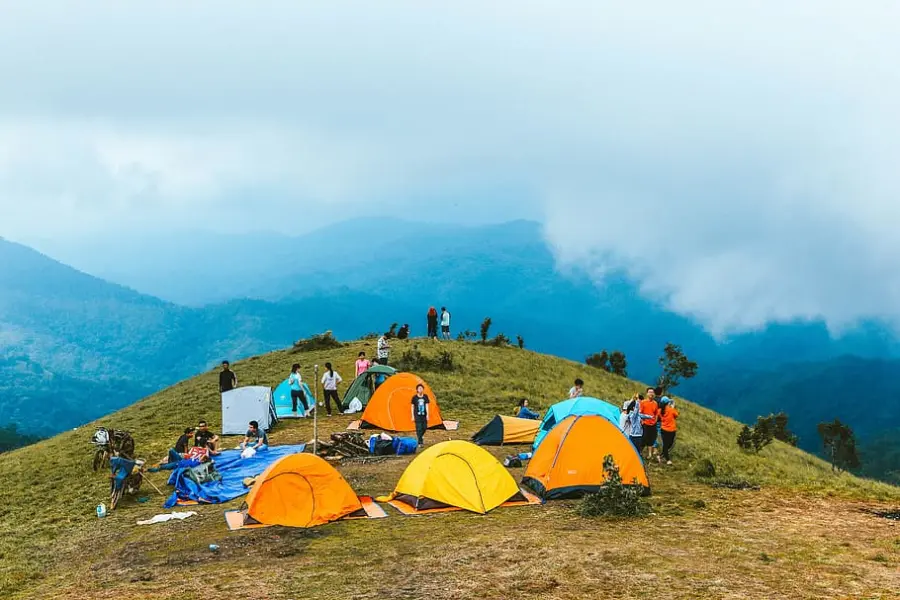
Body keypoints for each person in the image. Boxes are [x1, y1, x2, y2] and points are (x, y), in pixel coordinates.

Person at [640, 388, 661, 461]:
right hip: (645, 423)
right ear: (647, 394)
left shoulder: (655, 403)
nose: (651, 394)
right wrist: (642, 421)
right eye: (650, 392)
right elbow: (640, 412)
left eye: (652, 392)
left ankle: (649, 455)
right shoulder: (643, 402)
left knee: (651, 439)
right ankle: (639, 452)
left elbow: (656, 413)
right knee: (644, 438)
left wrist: (655, 420)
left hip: (653, 424)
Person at [659, 397, 679, 465]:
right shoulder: (671, 410)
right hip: (671, 430)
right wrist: (673, 407)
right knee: (668, 445)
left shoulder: (660, 410)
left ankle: (660, 456)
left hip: (663, 430)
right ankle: (668, 460)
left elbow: (659, 417)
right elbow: (676, 415)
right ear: (668, 403)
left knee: (666, 445)